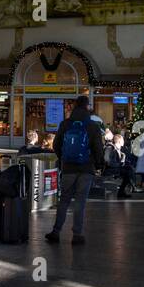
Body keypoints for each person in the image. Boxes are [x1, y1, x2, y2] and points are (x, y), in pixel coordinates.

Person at [44, 95, 105, 245]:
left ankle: (56, 231)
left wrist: (64, 159)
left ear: (75, 106)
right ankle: (77, 234)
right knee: (80, 202)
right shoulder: (92, 126)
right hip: (86, 169)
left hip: (69, 169)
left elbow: (56, 145)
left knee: (64, 200)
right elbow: (98, 148)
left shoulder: (65, 124)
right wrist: (98, 165)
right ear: (87, 107)